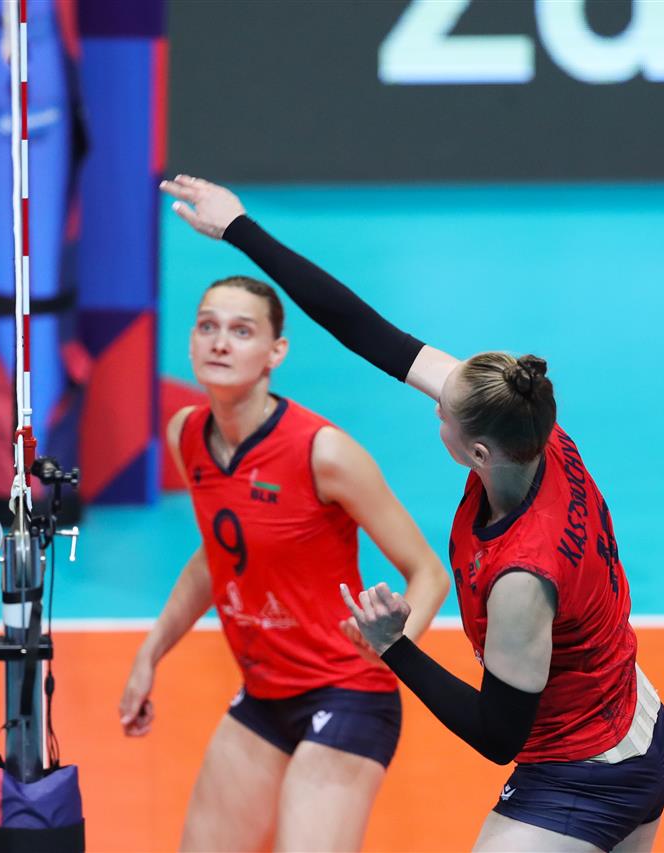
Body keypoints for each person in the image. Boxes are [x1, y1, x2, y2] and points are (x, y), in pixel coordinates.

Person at [162, 174, 664, 853]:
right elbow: (368, 330)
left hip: (585, 772)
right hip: (634, 717)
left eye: (443, 414)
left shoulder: (523, 577)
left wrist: (392, 646)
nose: (435, 406)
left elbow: (498, 734)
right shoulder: (529, 422)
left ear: (477, 451)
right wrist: (239, 228)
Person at [118, 274, 448, 851]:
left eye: (242, 331)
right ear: (191, 342)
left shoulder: (323, 452)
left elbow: (429, 572)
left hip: (348, 692)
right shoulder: (187, 435)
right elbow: (217, 556)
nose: (221, 342)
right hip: (264, 693)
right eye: (208, 327)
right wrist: (150, 653)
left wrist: (393, 647)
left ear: (276, 352)